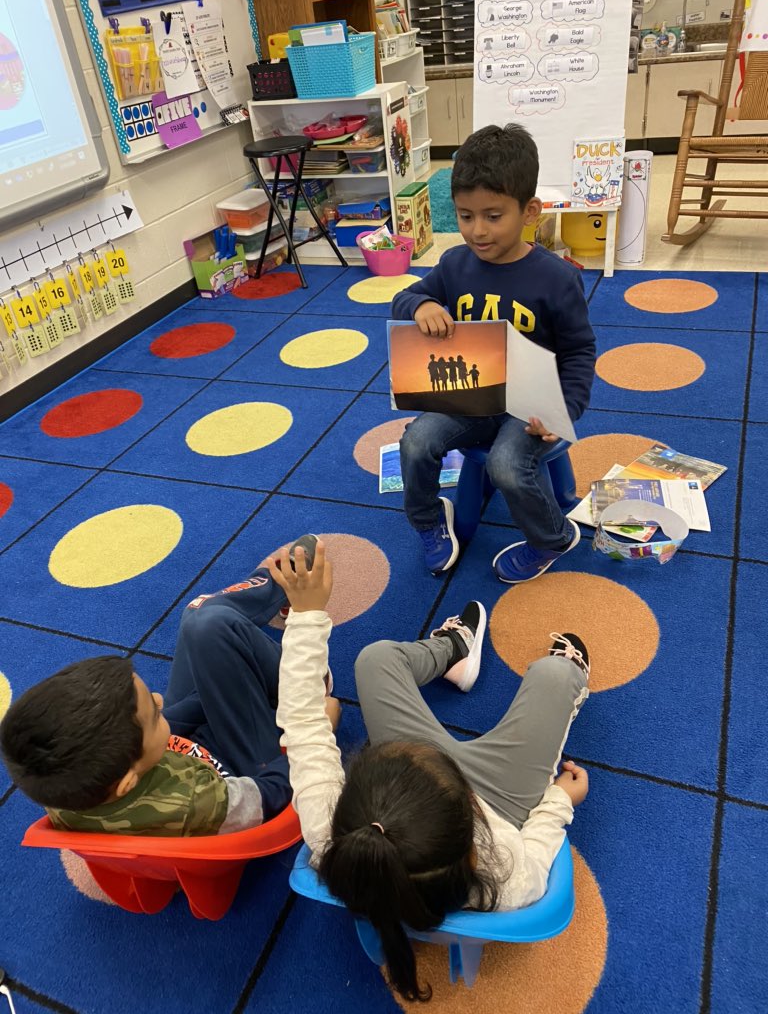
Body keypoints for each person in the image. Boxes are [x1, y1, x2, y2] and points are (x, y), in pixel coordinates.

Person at [270, 540, 590, 1003]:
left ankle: (455, 650)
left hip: (431, 800)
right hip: (499, 800)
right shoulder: (504, 874)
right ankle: (565, 675)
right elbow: (537, 849)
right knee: (556, 677)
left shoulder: (330, 832)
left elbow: (301, 720)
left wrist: (305, 616)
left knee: (375, 659)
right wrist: (561, 797)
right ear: (473, 852)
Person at [0, 536, 340, 837]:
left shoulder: (65, 786)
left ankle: (274, 592)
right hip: (251, 765)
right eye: (151, 712)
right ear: (127, 782)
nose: (159, 699)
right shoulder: (200, 804)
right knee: (208, 624)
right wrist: (314, 725)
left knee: (200, 619)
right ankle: (304, 662)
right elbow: (274, 792)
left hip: (186, 746)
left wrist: (211, 689)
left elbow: (163, 727)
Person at [391, 124, 596, 582]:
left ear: (530, 212)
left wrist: (564, 410)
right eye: (465, 216)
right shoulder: (454, 264)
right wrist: (422, 304)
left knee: (506, 464)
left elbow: (580, 351)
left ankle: (553, 538)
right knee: (416, 441)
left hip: (530, 407)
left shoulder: (557, 279)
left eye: (492, 216)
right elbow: (405, 297)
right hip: (472, 396)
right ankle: (428, 520)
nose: (477, 231)